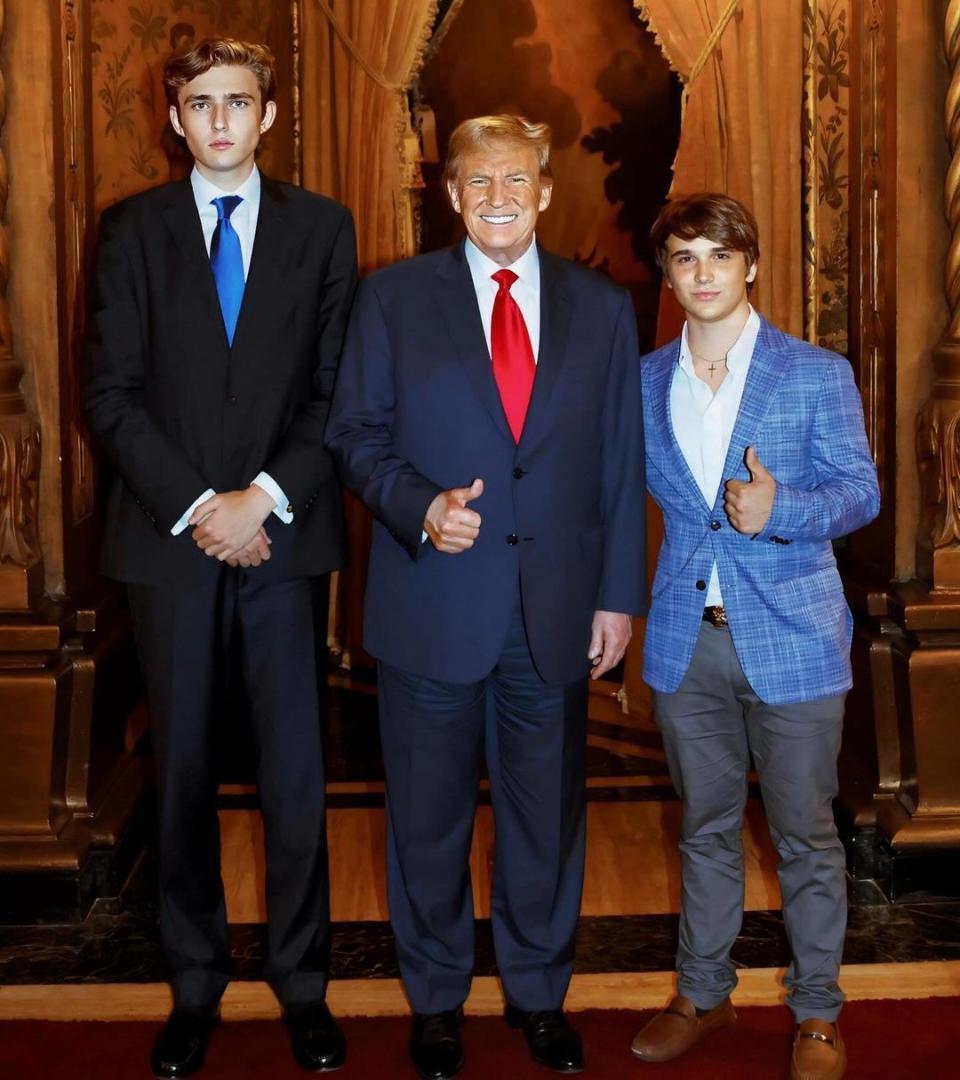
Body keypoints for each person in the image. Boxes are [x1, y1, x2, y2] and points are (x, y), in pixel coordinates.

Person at [325, 115, 646, 1079]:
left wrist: (617, 597)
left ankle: (540, 995)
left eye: (516, 179)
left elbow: (619, 469)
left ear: (546, 191)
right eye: (477, 182)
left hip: (555, 613)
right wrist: (420, 509)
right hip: (433, 603)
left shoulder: (602, 307)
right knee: (425, 818)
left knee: (545, 816)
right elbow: (354, 436)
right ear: (450, 195)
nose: (498, 196)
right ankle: (435, 1003)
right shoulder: (390, 300)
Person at [83, 38, 357, 1078]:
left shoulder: (324, 229)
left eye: (238, 103)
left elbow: (336, 393)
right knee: (183, 771)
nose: (220, 122)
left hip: (284, 541)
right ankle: (193, 986)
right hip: (171, 544)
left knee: (296, 775)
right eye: (200, 105)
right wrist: (204, 507)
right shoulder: (131, 233)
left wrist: (262, 502)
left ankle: (302, 985)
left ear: (269, 115)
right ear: (175, 117)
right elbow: (110, 394)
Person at [631, 192, 879, 1080]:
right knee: (702, 828)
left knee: (806, 835)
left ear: (751, 266)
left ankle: (816, 1013)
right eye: (685, 258)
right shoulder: (645, 379)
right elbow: (625, 507)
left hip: (797, 639)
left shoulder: (815, 373)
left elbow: (861, 494)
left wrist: (782, 511)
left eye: (719, 256)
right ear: (669, 273)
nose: (702, 273)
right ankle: (702, 994)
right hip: (683, 641)